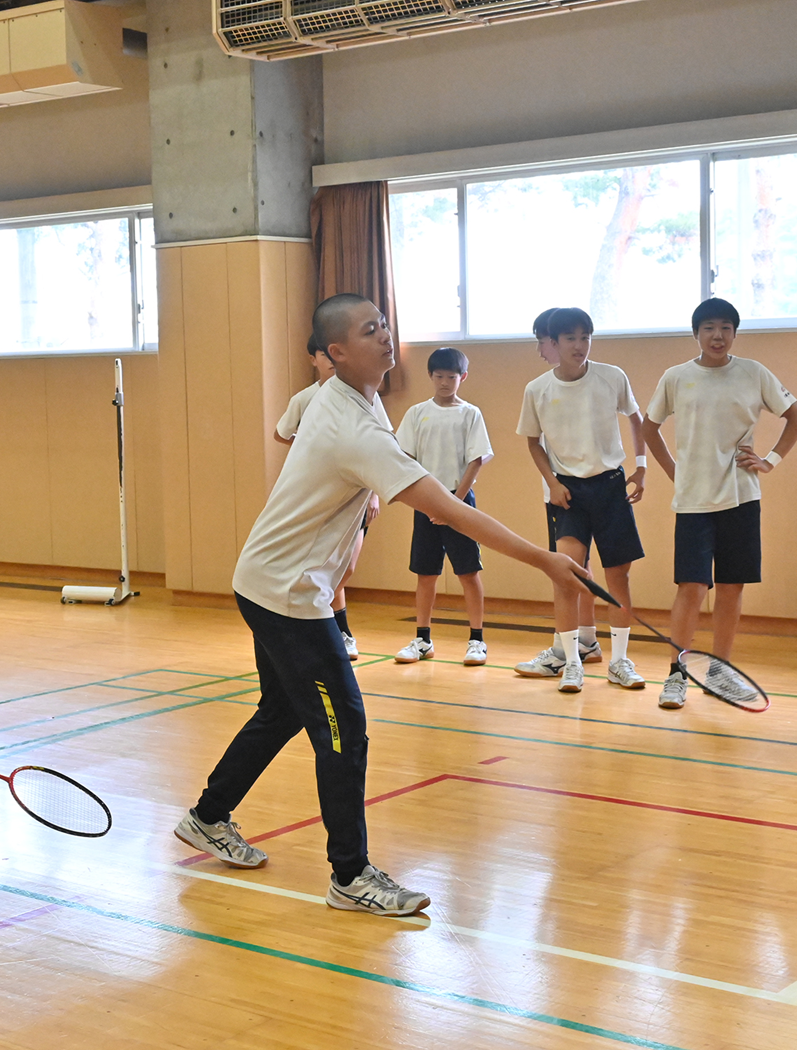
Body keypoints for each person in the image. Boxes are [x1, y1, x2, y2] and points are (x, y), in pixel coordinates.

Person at [173, 293, 589, 917]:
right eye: (371, 330)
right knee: (344, 730)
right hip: (287, 595)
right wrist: (545, 559)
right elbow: (449, 510)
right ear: (337, 352)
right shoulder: (352, 424)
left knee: (283, 710)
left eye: (386, 324)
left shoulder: (354, 399)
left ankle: (208, 815)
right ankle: (350, 875)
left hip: (264, 580)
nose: (387, 336)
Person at [642, 297, 797, 710]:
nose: (717, 336)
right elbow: (649, 428)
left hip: (741, 497)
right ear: (696, 333)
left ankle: (720, 671)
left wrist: (769, 460)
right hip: (694, 501)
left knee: (732, 587)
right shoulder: (676, 377)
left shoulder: (753, 372)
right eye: (709, 328)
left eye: (725, 328)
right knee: (692, 587)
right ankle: (677, 673)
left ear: (734, 333)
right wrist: (675, 472)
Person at [515, 307, 648, 694]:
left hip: (610, 487)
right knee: (568, 576)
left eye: (585, 337)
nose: (579, 345)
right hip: (567, 494)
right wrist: (552, 483)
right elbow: (533, 443)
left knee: (618, 576)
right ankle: (572, 663)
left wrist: (640, 467)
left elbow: (636, 417)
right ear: (554, 343)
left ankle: (620, 661)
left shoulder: (612, 376)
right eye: (570, 338)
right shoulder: (537, 389)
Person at [275, 332, 381, 661]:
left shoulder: (363, 395)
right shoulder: (305, 399)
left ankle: (334, 630)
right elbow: (281, 433)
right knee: (325, 569)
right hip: (319, 500)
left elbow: (380, 444)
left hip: (354, 498)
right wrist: (310, 449)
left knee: (345, 567)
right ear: (314, 359)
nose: (331, 362)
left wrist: (373, 494)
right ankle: (338, 633)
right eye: (324, 355)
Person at [392, 347, 493, 666]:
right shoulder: (417, 413)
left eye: (451, 377)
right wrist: (426, 501)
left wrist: (453, 502)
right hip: (426, 502)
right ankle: (423, 639)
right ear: (430, 376)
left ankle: (477, 640)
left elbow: (476, 460)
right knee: (425, 573)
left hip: (459, 501)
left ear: (463, 377)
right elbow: (405, 457)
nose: (445, 382)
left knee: (468, 572)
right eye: (439, 376)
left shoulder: (470, 413)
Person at [530, 307, 601, 662]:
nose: (539, 350)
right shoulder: (542, 389)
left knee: (568, 571)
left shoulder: (591, 381)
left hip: (573, 493)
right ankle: (585, 640)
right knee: (578, 567)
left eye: (541, 341)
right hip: (558, 491)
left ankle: (567, 649)